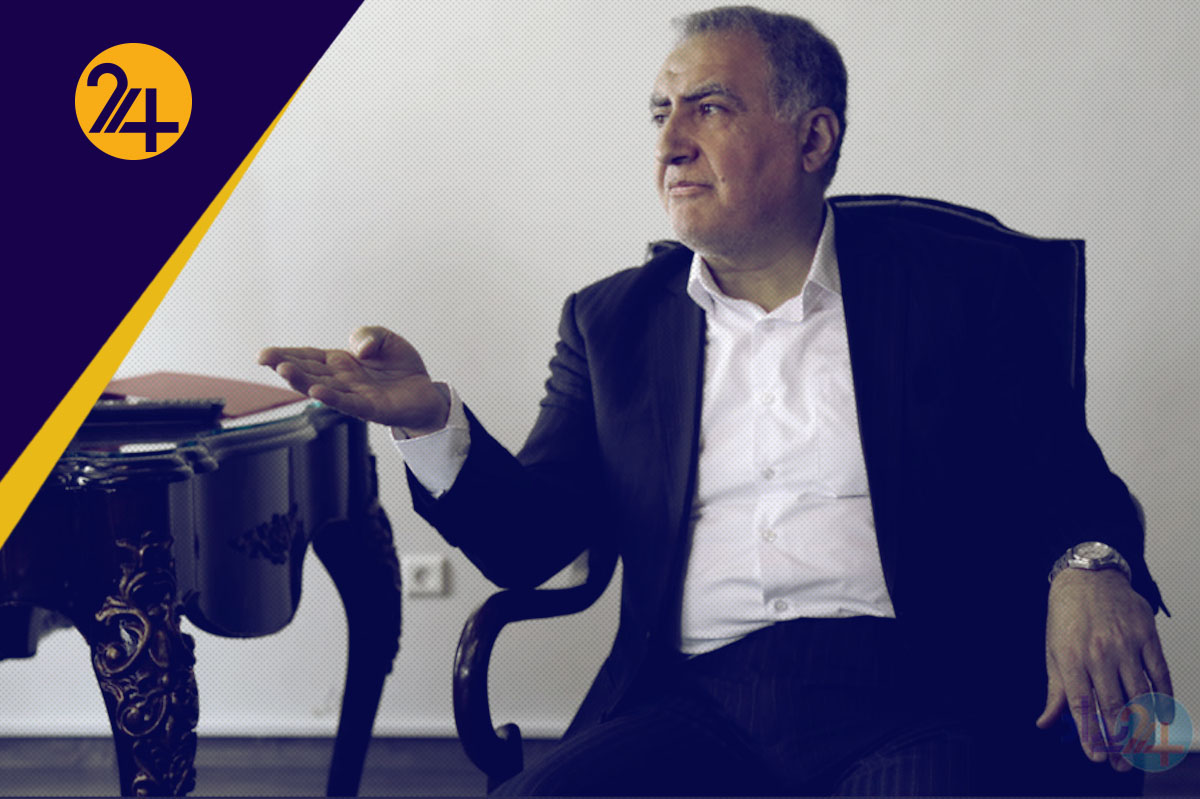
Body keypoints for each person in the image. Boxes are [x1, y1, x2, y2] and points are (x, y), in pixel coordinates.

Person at [260, 7, 1172, 795]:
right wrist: (431, 422)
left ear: (813, 139)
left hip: (916, 691)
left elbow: (1068, 476)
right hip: (694, 700)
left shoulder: (958, 287)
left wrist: (1089, 567)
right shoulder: (611, 322)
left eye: (709, 107)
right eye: (661, 113)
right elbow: (531, 542)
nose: (669, 143)